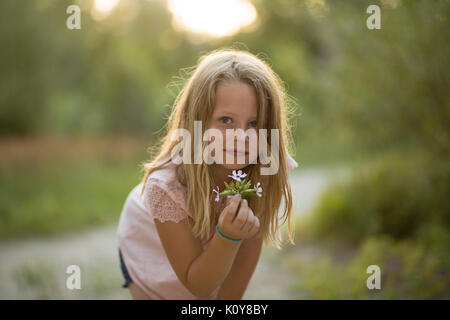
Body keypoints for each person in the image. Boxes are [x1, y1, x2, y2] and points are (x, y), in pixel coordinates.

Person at [116, 48, 298, 300]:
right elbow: (197, 285)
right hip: (148, 244)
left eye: (254, 124)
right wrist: (227, 237)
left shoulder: (263, 167)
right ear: (196, 121)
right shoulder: (167, 186)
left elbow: (246, 253)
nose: (240, 137)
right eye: (225, 120)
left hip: (214, 251)